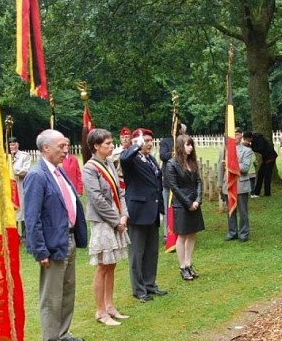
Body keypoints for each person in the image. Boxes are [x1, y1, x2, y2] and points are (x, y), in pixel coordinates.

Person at [23, 129, 88, 341]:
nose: (65, 150)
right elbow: (32, 218)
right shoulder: (37, 176)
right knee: (51, 295)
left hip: (67, 239)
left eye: (66, 145)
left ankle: (62, 332)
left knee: (67, 290)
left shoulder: (59, 172)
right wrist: (40, 250)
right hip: (51, 246)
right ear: (45, 148)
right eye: (60, 146)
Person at [82, 129, 131, 326]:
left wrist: (124, 214)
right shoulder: (89, 168)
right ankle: (100, 311)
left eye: (111, 143)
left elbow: (120, 191)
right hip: (103, 222)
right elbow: (97, 199)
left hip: (118, 218)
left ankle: (110, 305)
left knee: (112, 264)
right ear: (96, 146)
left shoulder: (110, 162)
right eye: (107, 143)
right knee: (103, 266)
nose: (112, 146)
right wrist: (115, 221)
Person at [121, 128, 168, 302]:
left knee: (151, 251)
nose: (149, 144)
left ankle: (150, 284)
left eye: (150, 141)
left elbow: (157, 185)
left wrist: (161, 209)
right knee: (137, 253)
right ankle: (139, 289)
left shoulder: (150, 159)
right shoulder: (131, 159)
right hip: (139, 212)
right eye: (145, 140)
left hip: (152, 211)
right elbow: (124, 158)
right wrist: (136, 146)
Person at [165, 134, 205, 280]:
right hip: (181, 205)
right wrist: (188, 203)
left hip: (194, 201)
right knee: (182, 236)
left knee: (193, 234)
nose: (191, 148)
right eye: (188, 145)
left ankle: (189, 263)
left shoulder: (192, 162)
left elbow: (199, 182)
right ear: (181, 146)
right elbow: (174, 187)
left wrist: (198, 200)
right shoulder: (171, 164)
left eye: (191, 145)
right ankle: (182, 267)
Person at [219, 129, 253, 242]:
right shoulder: (224, 150)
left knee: (243, 211)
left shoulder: (246, 150)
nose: (234, 136)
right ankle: (232, 232)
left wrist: (231, 163)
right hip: (227, 184)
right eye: (232, 134)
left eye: (237, 134)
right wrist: (220, 184)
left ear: (241, 136)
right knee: (230, 211)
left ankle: (243, 233)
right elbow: (220, 169)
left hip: (240, 184)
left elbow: (245, 168)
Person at [159, 123, 187, 237]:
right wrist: (173, 153)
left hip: (182, 182)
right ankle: (168, 234)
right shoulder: (165, 142)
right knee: (167, 208)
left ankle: (181, 231)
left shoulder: (184, 141)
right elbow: (163, 156)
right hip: (168, 182)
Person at [9, 136, 32, 237]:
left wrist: (12, 171)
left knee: (22, 209)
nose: (12, 146)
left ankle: (24, 235)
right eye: (10, 144)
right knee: (11, 210)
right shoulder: (5, 156)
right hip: (8, 187)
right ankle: (13, 235)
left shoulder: (24, 156)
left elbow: (25, 171)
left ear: (17, 145)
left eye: (14, 144)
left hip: (20, 186)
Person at [250, 132, 278, 197]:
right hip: (266, 158)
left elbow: (260, 149)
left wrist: (251, 147)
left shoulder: (259, 139)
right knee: (260, 174)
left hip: (270, 158)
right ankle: (257, 192)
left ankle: (267, 193)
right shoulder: (256, 139)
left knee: (267, 176)